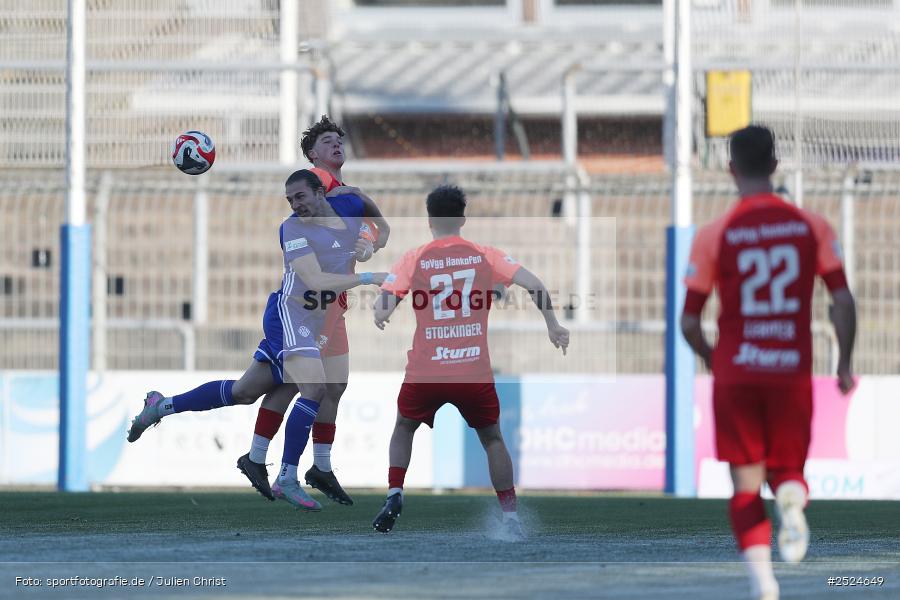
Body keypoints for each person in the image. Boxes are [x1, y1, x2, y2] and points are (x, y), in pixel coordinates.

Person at [127, 169, 388, 511]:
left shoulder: (350, 205)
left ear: (320, 193)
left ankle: (160, 406)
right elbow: (314, 280)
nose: (296, 205)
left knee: (244, 392)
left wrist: (369, 234)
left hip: (316, 319)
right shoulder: (292, 228)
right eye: (291, 200)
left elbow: (381, 228)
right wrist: (368, 275)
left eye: (301, 197)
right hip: (290, 314)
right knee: (315, 389)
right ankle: (287, 476)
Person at [680, 125, 856, 600]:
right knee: (787, 470)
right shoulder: (812, 225)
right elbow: (842, 300)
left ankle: (764, 585)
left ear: (731, 170)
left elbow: (690, 323)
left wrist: (715, 360)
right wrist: (844, 363)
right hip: (790, 371)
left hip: (738, 371)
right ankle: (793, 499)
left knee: (745, 484)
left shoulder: (715, 235)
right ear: (775, 166)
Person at [369, 184, 570, 539]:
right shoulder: (485, 255)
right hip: (472, 369)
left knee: (404, 427)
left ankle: (394, 493)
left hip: (426, 370)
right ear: (462, 218)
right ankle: (509, 517)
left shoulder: (414, 258)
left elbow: (382, 307)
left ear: (429, 220)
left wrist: (381, 312)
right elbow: (535, 285)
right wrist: (553, 324)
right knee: (492, 439)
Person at [247, 115, 389, 507]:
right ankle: (272, 465)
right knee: (297, 385)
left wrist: (368, 240)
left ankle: (316, 466)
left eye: (339, 140)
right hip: (309, 303)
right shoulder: (316, 183)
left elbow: (380, 228)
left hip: (333, 303)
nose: (336, 146)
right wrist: (362, 248)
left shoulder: (346, 191)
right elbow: (309, 231)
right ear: (312, 155)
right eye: (327, 142)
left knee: (333, 388)